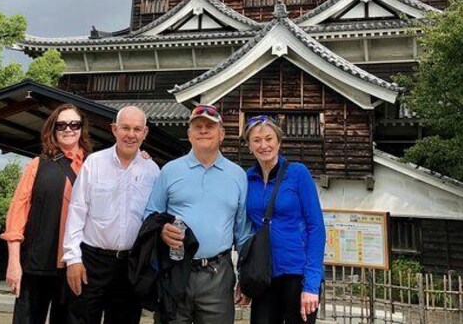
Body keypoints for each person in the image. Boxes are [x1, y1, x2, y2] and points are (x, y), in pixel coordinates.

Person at [144, 103, 253, 324]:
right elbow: (151, 213)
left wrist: (246, 277)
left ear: (221, 134)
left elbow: (243, 232)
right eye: (198, 126)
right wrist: (162, 229)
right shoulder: (170, 171)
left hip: (218, 273)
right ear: (189, 134)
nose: (203, 130)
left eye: (210, 127)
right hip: (175, 269)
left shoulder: (237, 175)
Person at [63, 105, 159, 324]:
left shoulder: (152, 170)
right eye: (125, 128)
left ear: (144, 133)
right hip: (91, 262)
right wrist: (73, 259)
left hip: (130, 265)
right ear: (114, 129)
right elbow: (77, 211)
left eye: (137, 129)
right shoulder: (94, 163)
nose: (131, 134)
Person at [1, 103, 91, 324]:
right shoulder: (37, 165)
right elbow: (17, 215)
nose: (68, 129)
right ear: (53, 129)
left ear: (82, 128)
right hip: (36, 264)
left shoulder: (94, 166)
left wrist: (141, 157)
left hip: (75, 265)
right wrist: (14, 262)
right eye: (61, 125)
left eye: (74, 124)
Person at [243, 115, 326, 324]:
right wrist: (244, 277)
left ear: (279, 142)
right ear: (249, 146)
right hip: (264, 273)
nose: (264, 145)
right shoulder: (246, 179)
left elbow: (316, 228)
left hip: (297, 273)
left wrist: (311, 285)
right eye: (257, 140)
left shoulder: (298, 173)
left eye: (269, 139)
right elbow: (244, 230)